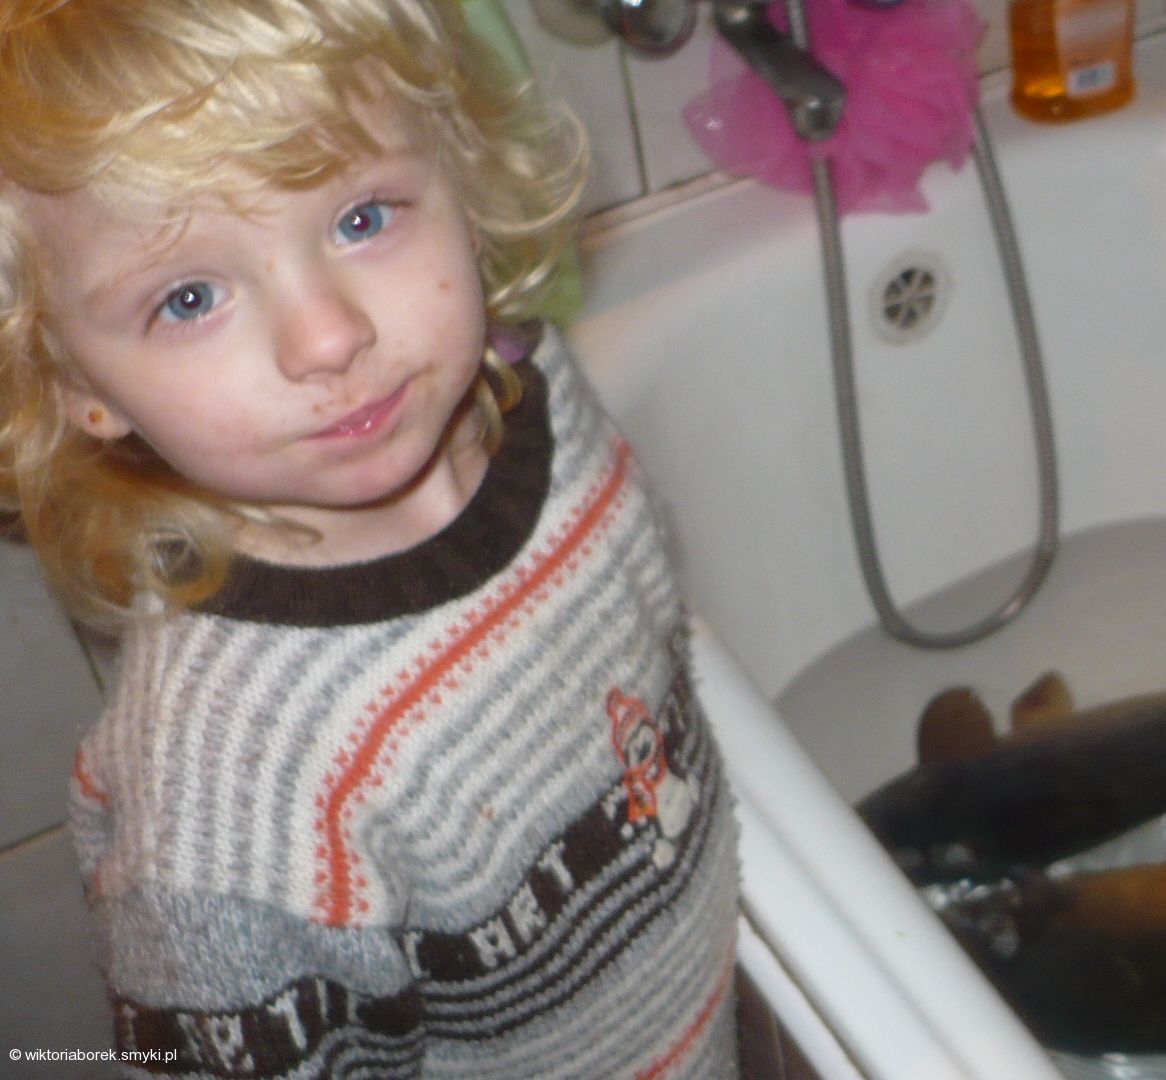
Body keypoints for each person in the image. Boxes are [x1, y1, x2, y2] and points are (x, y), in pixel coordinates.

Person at [0, 2, 740, 1076]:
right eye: (191, 297)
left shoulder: (533, 392)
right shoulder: (230, 798)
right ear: (78, 387)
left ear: (463, 186)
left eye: (361, 218)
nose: (329, 337)